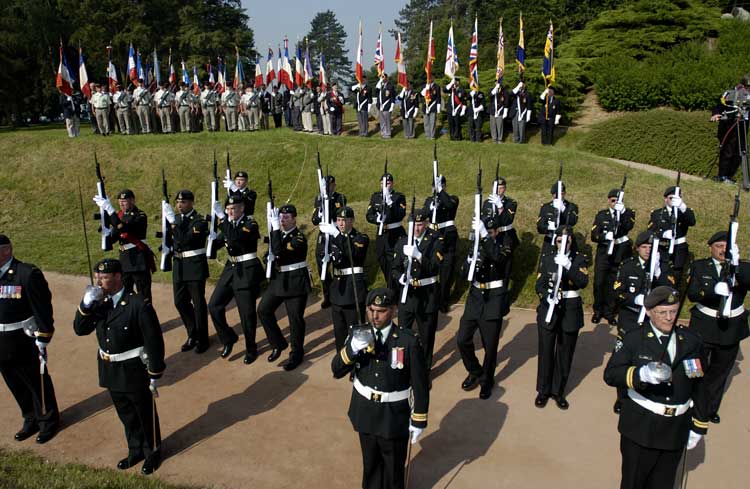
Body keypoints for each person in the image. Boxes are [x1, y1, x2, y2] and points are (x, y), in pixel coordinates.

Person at [604, 286, 708, 489]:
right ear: (650, 312)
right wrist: (639, 374)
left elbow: (700, 384)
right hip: (642, 428)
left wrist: (699, 425)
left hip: (676, 429)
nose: (669, 318)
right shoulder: (634, 339)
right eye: (663, 312)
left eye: (673, 311)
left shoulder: (691, 342)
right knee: (634, 483)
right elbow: (611, 374)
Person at [73, 259, 165, 475]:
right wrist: (86, 305)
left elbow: (153, 341)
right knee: (126, 414)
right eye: (97, 277)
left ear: (117, 277)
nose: (99, 282)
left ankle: (152, 451)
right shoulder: (98, 302)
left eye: (104, 278)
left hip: (133, 370)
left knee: (144, 414)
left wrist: (154, 372)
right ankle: (135, 449)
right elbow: (79, 329)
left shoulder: (137, 304)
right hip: (110, 369)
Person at [331, 288, 429, 489]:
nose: (374, 316)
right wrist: (351, 349)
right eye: (371, 309)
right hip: (365, 412)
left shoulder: (408, 341)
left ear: (393, 311)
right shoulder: (358, 334)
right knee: (371, 467)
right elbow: (337, 370)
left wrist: (419, 418)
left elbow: (420, 384)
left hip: (393, 416)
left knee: (393, 471)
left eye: (381, 311)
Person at [0, 234, 59, 444]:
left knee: (36, 382)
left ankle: (48, 421)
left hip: (23, 339)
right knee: (14, 382)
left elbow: (42, 307)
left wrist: (43, 337)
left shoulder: (26, 274)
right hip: (1, 341)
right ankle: (30, 417)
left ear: (7, 250)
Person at [687, 231, 750, 425]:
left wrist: (736, 265)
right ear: (711, 248)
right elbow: (693, 294)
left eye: (726, 246)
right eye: (719, 246)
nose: (723, 250)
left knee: (720, 372)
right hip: (704, 324)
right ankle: (690, 401)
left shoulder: (743, 267)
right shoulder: (699, 266)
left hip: (730, 328)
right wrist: (713, 291)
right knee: (695, 368)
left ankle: (709, 409)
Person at [612, 230, 675, 414]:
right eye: (644, 247)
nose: (648, 250)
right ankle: (622, 397)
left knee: (648, 357)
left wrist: (658, 274)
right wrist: (635, 300)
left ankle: (644, 395)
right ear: (637, 248)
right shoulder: (628, 266)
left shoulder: (662, 266)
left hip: (652, 320)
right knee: (624, 358)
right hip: (630, 318)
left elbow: (670, 292)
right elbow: (617, 292)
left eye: (651, 247)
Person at [457, 214, 511, 399]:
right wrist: (469, 265)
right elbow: (463, 271)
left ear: (496, 232)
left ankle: (487, 380)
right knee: (462, 339)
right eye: (484, 231)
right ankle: (475, 371)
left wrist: (485, 238)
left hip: (493, 300)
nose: (486, 234)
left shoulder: (504, 245)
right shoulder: (476, 246)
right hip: (475, 298)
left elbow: (498, 259)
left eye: (490, 231)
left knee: (490, 345)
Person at [535, 226, 589, 410]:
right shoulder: (547, 258)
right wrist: (546, 296)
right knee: (546, 351)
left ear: (572, 242)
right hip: (549, 308)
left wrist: (569, 266)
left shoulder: (580, 259)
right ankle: (543, 390)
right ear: (555, 242)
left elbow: (582, 282)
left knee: (565, 353)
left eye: (567, 241)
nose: (563, 244)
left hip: (570, 310)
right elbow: (539, 284)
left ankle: (558, 391)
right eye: (559, 241)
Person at [208, 193, 264, 363]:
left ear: (242, 209)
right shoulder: (228, 224)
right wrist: (210, 237)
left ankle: (251, 348)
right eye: (228, 209)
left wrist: (221, 218)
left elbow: (233, 237)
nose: (231, 211)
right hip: (231, 268)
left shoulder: (250, 224)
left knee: (246, 313)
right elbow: (217, 245)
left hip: (246, 270)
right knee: (214, 305)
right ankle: (228, 338)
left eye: (234, 208)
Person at [258, 203, 310, 371]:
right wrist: (268, 258)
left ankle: (296, 353)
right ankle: (278, 343)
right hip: (279, 280)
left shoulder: (299, 237)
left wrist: (274, 230)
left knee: (295, 319)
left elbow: (279, 250)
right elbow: (271, 252)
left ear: (294, 219)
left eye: (286, 217)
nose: (282, 220)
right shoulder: (278, 234)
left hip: (295, 281)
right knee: (264, 310)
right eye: (280, 217)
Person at [392, 208, 444, 371]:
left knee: (426, 337)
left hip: (426, 295)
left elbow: (436, 268)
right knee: (401, 335)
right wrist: (400, 277)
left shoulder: (436, 241)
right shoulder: (402, 242)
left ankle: (424, 370)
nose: (416, 228)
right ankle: (400, 366)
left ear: (427, 224)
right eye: (413, 224)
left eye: (420, 225)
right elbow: (394, 268)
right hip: (408, 296)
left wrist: (419, 256)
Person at [162, 190, 210, 354]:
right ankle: (192, 333)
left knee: (198, 304)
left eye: (182, 202)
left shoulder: (199, 221)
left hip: (195, 267)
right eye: (177, 202)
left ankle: (203, 338)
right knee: (180, 302)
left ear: (191, 203)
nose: (179, 205)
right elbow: (171, 240)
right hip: (179, 266)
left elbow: (186, 239)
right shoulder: (174, 218)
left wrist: (173, 224)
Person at [318, 207, 370, 350]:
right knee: (339, 332)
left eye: (344, 220)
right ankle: (342, 360)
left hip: (352, 288)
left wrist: (335, 234)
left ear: (352, 221)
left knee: (356, 332)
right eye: (338, 220)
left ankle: (359, 363)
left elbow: (353, 254)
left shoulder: (360, 238)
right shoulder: (332, 238)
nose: (341, 224)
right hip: (337, 289)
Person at [93, 189, 154, 302]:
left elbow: (123, 228)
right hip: (125, 261)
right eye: (120, 201)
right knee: (125, 294)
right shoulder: (120, 216)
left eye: (124, 201)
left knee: (143, 295)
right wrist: (106, 232)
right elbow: (113, 239)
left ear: (132, 200)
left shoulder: (140, 215)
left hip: (138, 260)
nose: (121, 203)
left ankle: (147, 319)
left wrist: (110, 210)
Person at [591, 188, 636, 325]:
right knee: (599, 283)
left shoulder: (628, 213)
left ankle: (609, 312)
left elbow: (629, 226)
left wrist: (621, 212)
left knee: (613, 284)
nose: (615, 203)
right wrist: (605, 236)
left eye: (618, 201)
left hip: (620, 253)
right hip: (604, 253)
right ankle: (597, 311)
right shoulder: (601, 215)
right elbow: (594, 235)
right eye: (613, 200)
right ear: (608, 201)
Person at [366, 172, 407, 291]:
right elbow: (369, 215)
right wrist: (376, 219)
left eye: (388, 183)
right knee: (382, 259)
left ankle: (393, 289)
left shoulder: (399, 197)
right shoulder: (375, 197)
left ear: (392, 184)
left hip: (394, 233)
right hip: (381, 234)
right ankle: (390, 286)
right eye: (383, 183)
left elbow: (400, 215)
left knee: (393, 262)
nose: (385, 185)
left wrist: (390, 204)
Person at [648, 186, 696, 285]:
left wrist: (682, 206)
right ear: (665, 199)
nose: (673, 200)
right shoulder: (657, 213)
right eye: (671, 198)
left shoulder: (684, 211)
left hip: (678, 248)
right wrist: (663, 234)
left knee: (675, 276)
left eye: (677, 198)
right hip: (662, 247)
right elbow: (651, 231)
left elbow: (692, 221)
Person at [311, 174, 347, 309]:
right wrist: (320, 208)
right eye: (326, 186)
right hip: (323, 235)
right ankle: (328, 295)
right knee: (322, 267)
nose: (328, 188)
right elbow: (315, 220)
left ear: (334, 185)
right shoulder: (318, 198)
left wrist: (328, 202)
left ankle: (340, 293)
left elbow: (337, 214)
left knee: (339, 264)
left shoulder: (340, 198)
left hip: (336, 233)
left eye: (331, 185)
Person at [425, 175, 459, 311]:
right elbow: (424, 214)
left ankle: (444, 300)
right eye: (435, 186)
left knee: (446, 269)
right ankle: (432, 298)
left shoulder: (452, 198)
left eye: (440, 186)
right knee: (431, 267)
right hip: (433, 237)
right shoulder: (429, 200)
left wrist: (441, 192)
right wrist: (431, 207)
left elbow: (450, 205)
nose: (436, 188)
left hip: (448, 236)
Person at [710, 77, 749, 183]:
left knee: (740, 153)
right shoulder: (731, 94)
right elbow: (719, 106)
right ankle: (722, 176)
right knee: (728, 151)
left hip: (742, 128)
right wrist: (716, 114)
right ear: (743, 85)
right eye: (747, 87)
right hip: (729, 127)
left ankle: (729, 177)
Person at [482, 176, 519, 284]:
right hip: (491, 236)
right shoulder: (487, 203)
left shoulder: (511, 203)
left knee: (506, 266)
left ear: (505, 188)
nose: (499, 190)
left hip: (505, 236)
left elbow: (508, 220)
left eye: (501, 187)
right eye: (496, 187)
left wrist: (500, 207)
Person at [536, 182, 579, 258]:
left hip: (566, 241)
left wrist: (563, 209)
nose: (561, 195)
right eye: (559, 194)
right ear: (553, 194)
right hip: (550, 241)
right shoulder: (546, 207)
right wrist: (548, 227)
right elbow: (540, 227)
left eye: (563, 193)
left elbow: (572, 221)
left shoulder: (571, 207)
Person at [376, 73, 395, 139]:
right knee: (382, 121)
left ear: (386, 78)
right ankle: (383, 133)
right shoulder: (380, 85)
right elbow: (376, 90)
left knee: (387, 121)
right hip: (380, 106)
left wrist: (392, 106)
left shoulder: (390, 86)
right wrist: (380, 80)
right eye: (381, 77)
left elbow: (392, 97)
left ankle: (388, 134)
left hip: (387, 106)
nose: (382, 78)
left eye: (383, 77)